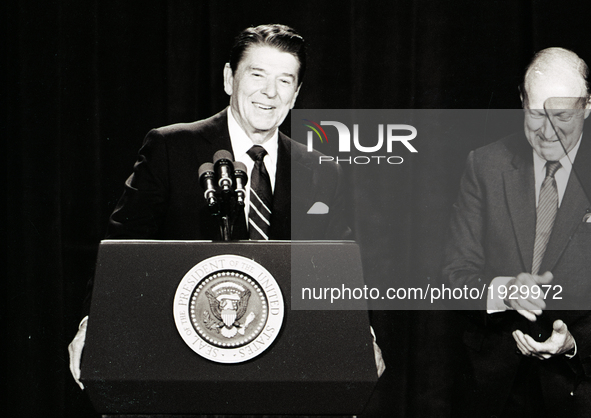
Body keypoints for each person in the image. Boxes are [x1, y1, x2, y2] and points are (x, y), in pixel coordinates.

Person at [69, 23, 385, 390]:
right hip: (185, 363)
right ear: (228, 78)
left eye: (285, 81)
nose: (270, 92)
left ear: (295, 94)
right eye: (258, 75)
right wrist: (93, 326)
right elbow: (121, 251)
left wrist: (363, 335)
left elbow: (340, 270)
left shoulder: (321, 170)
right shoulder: (172, 149)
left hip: (281, 370)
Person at [443, 47, 591, 417]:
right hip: (493, 390)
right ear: (522, 101)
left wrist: (574, 342)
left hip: (579, 384)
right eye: (536, 114)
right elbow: (453, 277)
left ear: (587, 106)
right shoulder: (485, 165)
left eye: (561, 116)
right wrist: (504, 291)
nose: (547, 131)